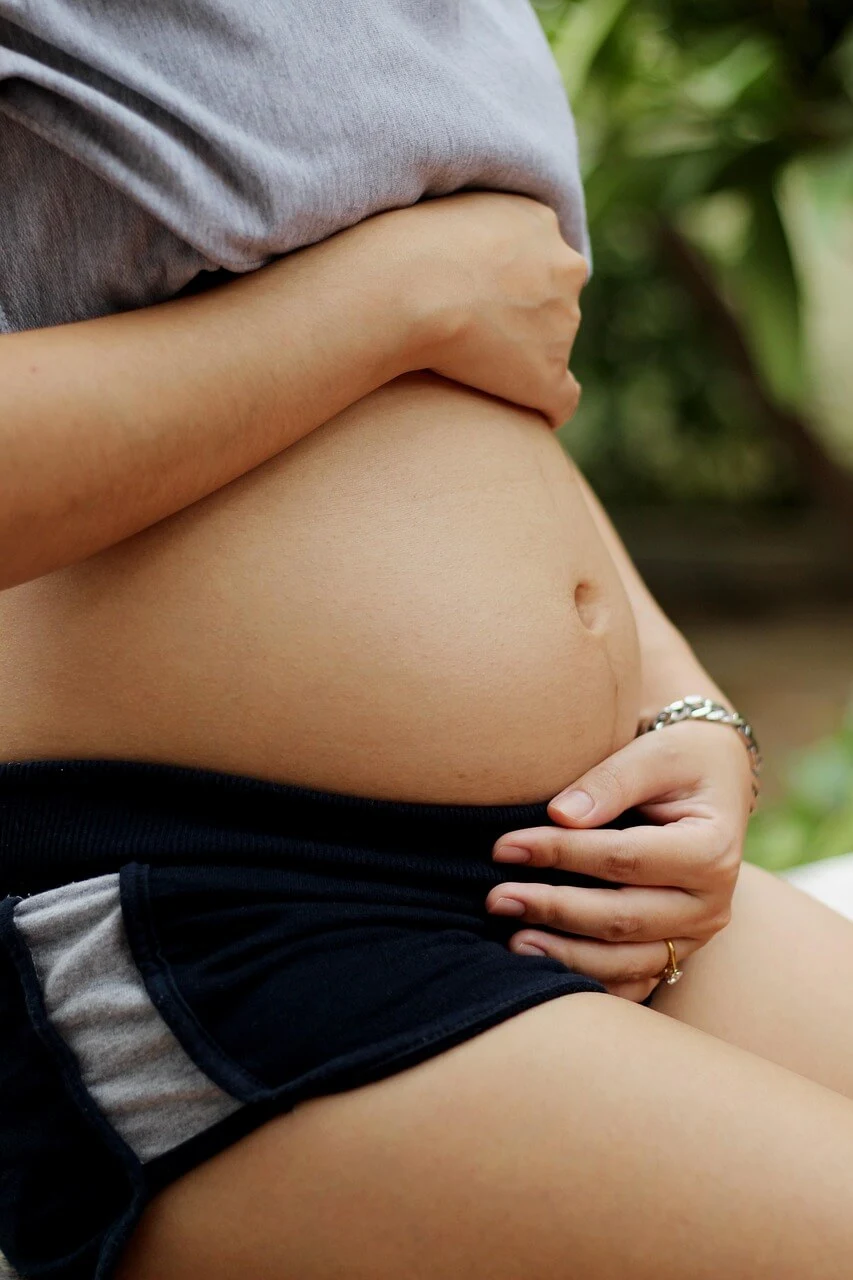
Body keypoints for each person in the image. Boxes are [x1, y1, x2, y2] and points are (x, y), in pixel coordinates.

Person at [2, 4, 853, 1278]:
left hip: (565, 863)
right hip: (220, 914)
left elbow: (483, 376)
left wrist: (682, 705)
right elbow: (434, 310)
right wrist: (391, 297)